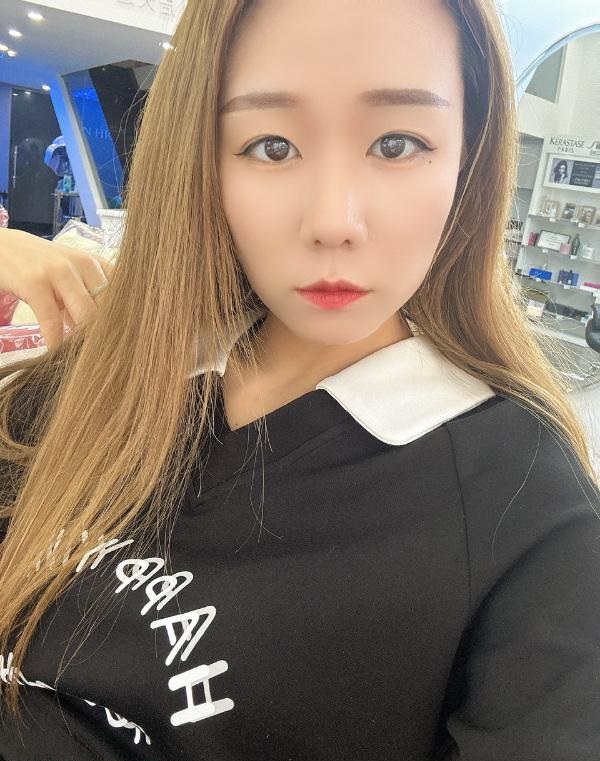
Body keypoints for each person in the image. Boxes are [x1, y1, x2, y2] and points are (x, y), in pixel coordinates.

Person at [0, 1, 599, 759]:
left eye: (397, 143)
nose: (333, 220)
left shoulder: (529, 513)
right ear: (203, 160)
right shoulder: (110, 374)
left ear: (469, 161)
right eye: (272, 145)